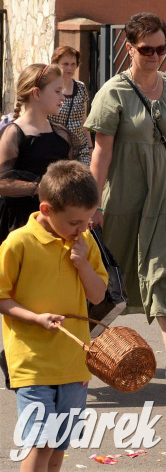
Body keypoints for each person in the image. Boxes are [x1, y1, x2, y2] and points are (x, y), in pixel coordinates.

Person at [85, 12, 166, 389]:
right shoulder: (113, 92)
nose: (154, 55)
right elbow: (100, 154)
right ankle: (73, 350)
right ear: (129, 48)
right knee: (104, 278)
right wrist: (93, 204)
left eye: (161, 48)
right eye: (146, 49)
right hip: (122, 195)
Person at [0, 160, 108, 472]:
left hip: (73, 363)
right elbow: (2, 298)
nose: (83, 228)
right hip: (32, 361)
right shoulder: (18, 243)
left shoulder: (84, 242)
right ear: (46, 210)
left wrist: (83, 264)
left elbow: (98, 296)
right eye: (75, 221)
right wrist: (35, 318)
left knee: (59, 442)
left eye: (87, 220)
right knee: (40, 440)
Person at [0, 64, 78, 242]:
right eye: (57, 91)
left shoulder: (62, 134)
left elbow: (69, 176)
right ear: (36, 93)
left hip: (55, 221)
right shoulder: (14, 133)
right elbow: (2, 182)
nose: (63, 97)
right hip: (20, 223)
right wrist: (39, 188)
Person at [50, 46, 92, 166]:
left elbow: (84, 120)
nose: (70, 68)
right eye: (66, 64)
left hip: (80, 148)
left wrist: (90, 147)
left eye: (73, 64)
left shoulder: (81, 87)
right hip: (57, 148)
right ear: (56, 64)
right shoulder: (50, 88)